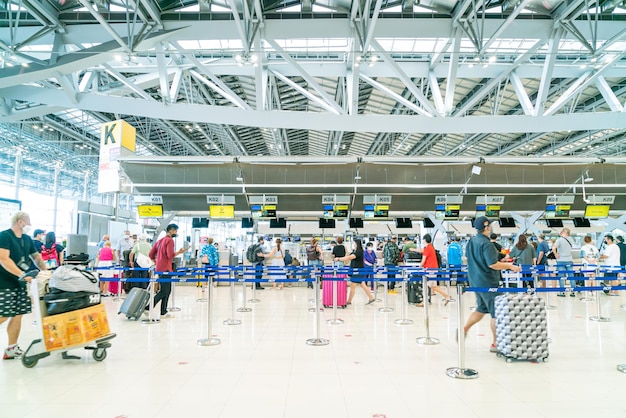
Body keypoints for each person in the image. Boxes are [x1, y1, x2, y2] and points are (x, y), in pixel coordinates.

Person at [461, 216, 521, 353]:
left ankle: (464, 329)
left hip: (476, 281)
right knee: (497, 314)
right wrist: (510, 266)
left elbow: (470, 258)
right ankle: (496, 343)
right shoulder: (487, 244)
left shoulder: (471, 241)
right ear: (487, 227)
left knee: (481, 309)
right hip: (488, 282)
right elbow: (492, 264)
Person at [0, 212, 47, 360]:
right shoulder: (4, 236)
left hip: (21, 283)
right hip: (4, 282)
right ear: (20, 222)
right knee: (5, 314)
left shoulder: (27, 239)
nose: (29, 226)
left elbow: (36, 257)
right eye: (28, 223)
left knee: (18, 314)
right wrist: (21, 274)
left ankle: (11, 349)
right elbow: (3, 259)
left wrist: (46, 272)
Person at [148, 224, 186, 318]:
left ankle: (163, 311)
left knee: (166, 290)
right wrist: (179, 252)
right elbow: (170, 255)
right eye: (176, 231)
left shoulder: (160, 241)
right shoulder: (169, 240)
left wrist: (157, 262)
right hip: (166, 269)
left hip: (159, 268)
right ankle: (149, 307)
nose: (176, 233)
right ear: (172, 230)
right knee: (164, 291)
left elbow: (151, 254)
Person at [336, 238, 375, 305]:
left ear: (357, 244)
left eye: (354, 243)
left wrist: (339, 259)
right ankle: (371, 298)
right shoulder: (355, 251)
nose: (353, 244)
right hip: (355, 270)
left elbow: (350, 257)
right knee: (362, 285)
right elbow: (348, 257)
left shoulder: (359, 251)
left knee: (353, 286)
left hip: (357, 271)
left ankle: (349, 301)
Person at [420, 234, 452, 305]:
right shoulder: (431, 247)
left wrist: (418, 268)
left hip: (429, 269)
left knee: (426, 285)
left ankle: (424, 301)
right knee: (433, 286)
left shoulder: (427, 248)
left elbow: (423, 261)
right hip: (433, 268)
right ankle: (447, 296)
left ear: (424, 240)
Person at [554, 227, 575, 297]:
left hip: (561, 260)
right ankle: (573, 291)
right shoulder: (571, 239)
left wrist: (555, 254)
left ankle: (562, 292)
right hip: (569, 260)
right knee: (571, 276)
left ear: (563, 232)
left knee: (561, 276)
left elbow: (554, 247)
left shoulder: (559, 240)